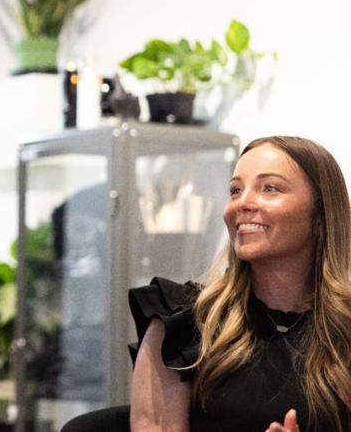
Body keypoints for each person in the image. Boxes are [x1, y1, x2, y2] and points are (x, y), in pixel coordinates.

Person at [129, 136, 351, 432]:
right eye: (235, 190)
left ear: (320, 217)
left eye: (270, 188)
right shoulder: (180, 325)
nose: (243, 203)